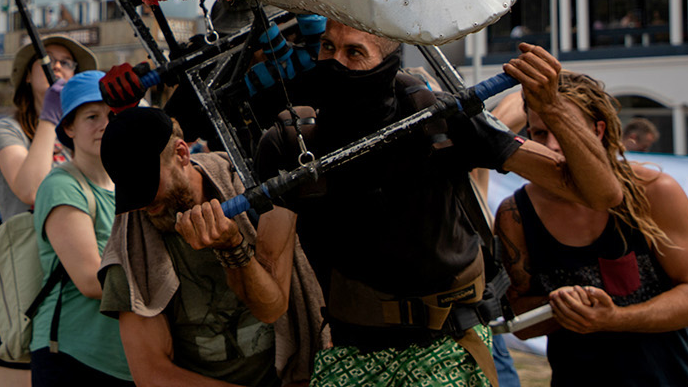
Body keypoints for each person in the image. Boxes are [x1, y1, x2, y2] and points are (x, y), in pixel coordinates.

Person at [254, 27, 626, 386]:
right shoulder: (291, 144)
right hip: (352, 354)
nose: (336, 62)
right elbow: (270, 304)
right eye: (327, 47)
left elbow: (601, 195)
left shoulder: (441, 118)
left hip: (450, 346)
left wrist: (553, 106)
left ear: (388, 61)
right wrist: (232, 251)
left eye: (354, 52)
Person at [495, 73, 688, 386]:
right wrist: (559, 305)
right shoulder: (515, 213)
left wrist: (614, 318)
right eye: (540, 134)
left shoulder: (653, 191)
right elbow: (518, 321)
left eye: (564, 132)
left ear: (598, 131)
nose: (553, 147)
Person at [96, 107, 322, 387]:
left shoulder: (247, 182)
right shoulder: (130, 250)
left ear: (181, 154)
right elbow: (152, 374)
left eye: (146, 184)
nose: (143, 204)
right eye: (131, 190)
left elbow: (272, 308)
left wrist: (233, 247)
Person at [0, 34, 94, 387]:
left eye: (67, 61)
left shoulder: (86, 130)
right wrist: (49, 118)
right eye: (48, 60)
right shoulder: (9, 129)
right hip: (29, 271)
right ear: (28, 76)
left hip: (79, 268)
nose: (58, 66)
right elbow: (31, 188)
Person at [25, 71, 126, 387]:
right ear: (68, 126)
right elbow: (91, 281)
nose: (104, 124)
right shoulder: (62, 186)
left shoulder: (128, 185)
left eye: (111, 114)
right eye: (91, 116)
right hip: (71, 356)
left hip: (124, 358)